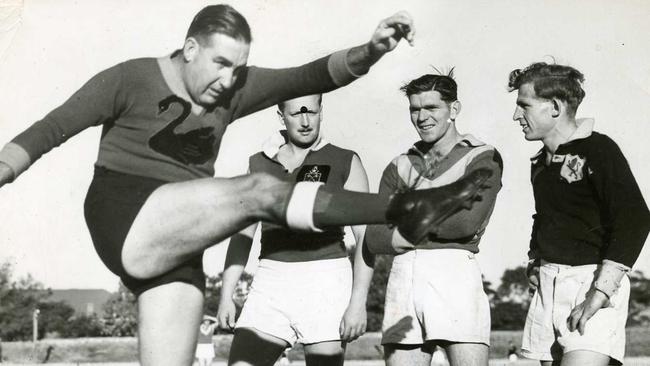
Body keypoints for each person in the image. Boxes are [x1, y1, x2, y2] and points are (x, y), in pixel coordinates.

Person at [0, 5, 491, 366]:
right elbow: (51, 128)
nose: (228, 80)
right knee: (258, 191)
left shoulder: (232, 87)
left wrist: (371, 50)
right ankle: (400, 208)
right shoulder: (130, 79)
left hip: (179, 240)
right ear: (190, 49)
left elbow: (307, 75)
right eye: (219, 64)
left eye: (238, 68)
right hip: (124, 212)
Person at [508, 62, 650, 366]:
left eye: (524, 105)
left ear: (556, 107)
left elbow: (635, 217)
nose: (516, 115)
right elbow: (544, 217)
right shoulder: (540, 163)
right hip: (548, 286)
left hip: (591, 282)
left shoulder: (599, 149)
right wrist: (535, 261)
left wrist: (600, 292)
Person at [218, 94, 371, 366]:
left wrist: (358, 303)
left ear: (321, 110)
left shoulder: (345, 160)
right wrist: (226, 294)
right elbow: (243, 235)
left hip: (327, 279)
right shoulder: (259, 163)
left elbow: (365, 238)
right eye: (295, 114)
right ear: (280, 116)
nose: (304, 121)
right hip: (271, 279)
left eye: (311, 112)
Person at [364, 70, 503, 366]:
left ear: (454, 109)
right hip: (404, 275)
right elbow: (375, 236)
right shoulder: (399, 165)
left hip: (454, 272)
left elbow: (465, 224)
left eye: (431, 108)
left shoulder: (481, 155)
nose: (422, 117)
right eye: (414, 109)